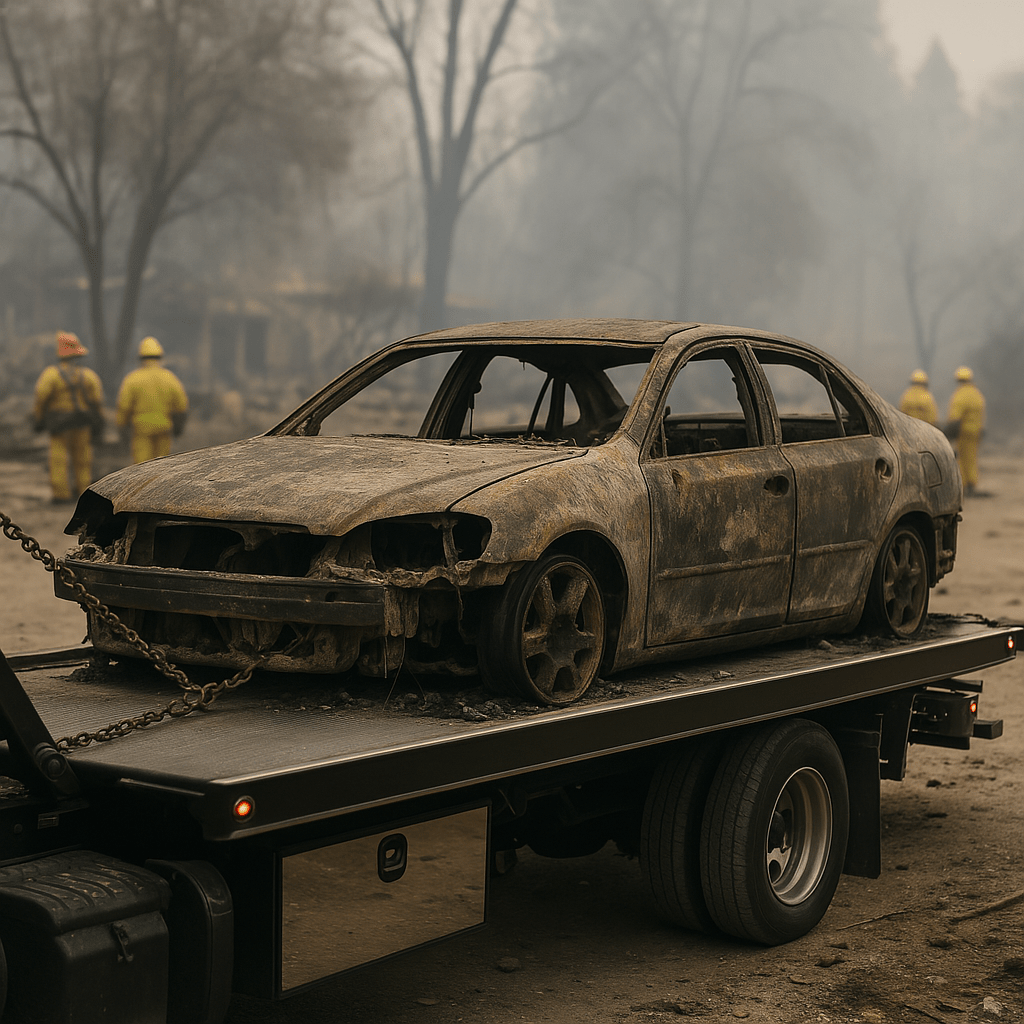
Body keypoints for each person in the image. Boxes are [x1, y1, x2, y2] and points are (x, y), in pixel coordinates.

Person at [31, 331, 105, 504]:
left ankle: (61, 495)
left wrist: (38, 418)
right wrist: (99, 421)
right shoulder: (88, 375)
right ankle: (83, 493)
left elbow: (40, 398)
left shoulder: (50, 375)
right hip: (82, 423)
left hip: (59, 425)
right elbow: (97, 401)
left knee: (58, 460)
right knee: (83, 460)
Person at [116, 336, 189, 464]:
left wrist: (122, 427)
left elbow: (124, 406)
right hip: (164, 429)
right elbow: (182, 406)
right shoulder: (170, 378)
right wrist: (178, 428)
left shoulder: (132, 379)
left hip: (141, 431)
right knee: (161, 466)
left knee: (142, 467)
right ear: (160, 357)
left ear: (140, 358)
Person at [946, 366, 986, 496]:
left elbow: (955, 417)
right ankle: (972, 484)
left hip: (963, 433)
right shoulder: (977, 394)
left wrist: (948, 432)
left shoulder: (959, 395)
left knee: (962, 459)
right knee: (972, 458)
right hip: (976, 432)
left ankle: (963, 485)